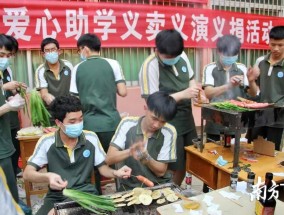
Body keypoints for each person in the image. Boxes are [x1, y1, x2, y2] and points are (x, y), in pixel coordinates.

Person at [23, 95, 131, 215]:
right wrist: (48, 177)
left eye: (80, 119)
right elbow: (27, 174)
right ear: (59, 123)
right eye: (72, 121)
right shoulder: (47, 142)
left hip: (86, 195)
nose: (78, 124)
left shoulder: (91, 138)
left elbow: (103, 168)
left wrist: (116, 173)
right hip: (57, 196)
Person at [139, 29, 203, 186]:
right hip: (166, 121)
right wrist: (183, 94)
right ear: (157, 50)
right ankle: (166, 192)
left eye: (176, 56)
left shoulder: (181, 56)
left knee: (187, 159)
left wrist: (195, 93)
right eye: (168, 57)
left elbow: (191, 79)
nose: (173, 60)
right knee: (170, 163)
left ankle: (175, 189)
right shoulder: (149, 66)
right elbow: (153, 104)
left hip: (187, 118)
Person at [70, 33, 127, 193]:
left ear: (85, 49)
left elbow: (73, 100)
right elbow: (123, 92)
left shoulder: (77, 68)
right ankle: (122, 194)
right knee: (117, 161)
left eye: (79, 50)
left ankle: (96, 197)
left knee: (92, 164)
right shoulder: (113, 64)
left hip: (88, 125)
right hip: (111, 123)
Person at [106, 91, 177, 190]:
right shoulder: (127, 124)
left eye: (163, 121)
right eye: (154, 118)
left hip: (158, 185)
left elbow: (161, 172)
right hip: (129, 186)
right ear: (145, 108)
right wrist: (130, 151)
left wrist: (146, 157)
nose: (156, 125)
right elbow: (109, 159)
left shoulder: (169, 131)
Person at [202, 34, 248, 141]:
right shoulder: (210, 68)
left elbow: (250, 95)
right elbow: (208, 93)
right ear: (219, 51)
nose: (230, 57)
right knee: (211, 153)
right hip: (215, 121)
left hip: (236, 121)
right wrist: (228, 86)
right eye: (227, 54)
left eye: (233, 54)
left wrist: (250, 80)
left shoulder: (242, 68)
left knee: (235, 153)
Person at [246, 26, 284, 150]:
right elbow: (253, 94)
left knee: (274, 155)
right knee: (254, 151)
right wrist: (251, 81)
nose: (276, 48)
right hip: (260, 116)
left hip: (279, 119)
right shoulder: (261, 62)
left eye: (280, 45)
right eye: (273, 44)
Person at [0, 34, 26, 203]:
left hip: (5, 137)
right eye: (1, 55)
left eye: (8, 56)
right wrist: (7, 106)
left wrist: (9, 98)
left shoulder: (5, 72)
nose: (5, 59)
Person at [35, 37, 73, 106]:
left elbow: (73, 85)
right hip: (51, 108)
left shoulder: (68, 65)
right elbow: (44, 93)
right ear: (43, 54)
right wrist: (47, 97)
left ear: (59, 51)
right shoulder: (40, 70)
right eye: (47, 51)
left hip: (68, 106)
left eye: (53, 50)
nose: (50, 53)